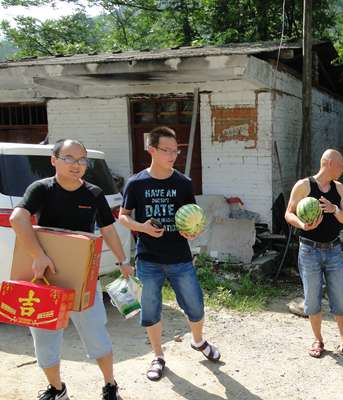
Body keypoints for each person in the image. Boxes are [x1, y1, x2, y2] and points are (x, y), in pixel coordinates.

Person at [10, 139, 132, 400]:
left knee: (96, 333)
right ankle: (57, 390)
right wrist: (38, 255)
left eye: (81, 160)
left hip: (82, 276)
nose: (76, 165)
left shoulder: (94, 193)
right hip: (45, 276)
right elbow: (17, 218)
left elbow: (108, 230)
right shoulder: (41, 189)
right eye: (69, 158)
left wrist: (123, 261)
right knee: (44, 336)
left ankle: (110, 385)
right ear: (54, 160)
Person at [118, 126, 220, 381]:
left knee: (195, 305)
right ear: (152, 150)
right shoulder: (136, 183)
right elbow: (123, 216)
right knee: (150, 310)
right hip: (148, 259)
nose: (173, 156)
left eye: (176, 151)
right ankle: (158, 356)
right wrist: (142, 228)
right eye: (167, 150)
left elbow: (193, 217)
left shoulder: (183, 183)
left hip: (180, 258)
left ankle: (198, 340)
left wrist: (193, 232)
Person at [284, 149, 343, 362]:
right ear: (328, 163)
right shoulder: (303, 186)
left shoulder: (338, 188)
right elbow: (288, 213)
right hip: (309, 250)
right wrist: (303, 224)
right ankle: (318, 340)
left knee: (341, 300)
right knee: (312, 299)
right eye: (341, 165)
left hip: (333, 250)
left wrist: (334, 209)